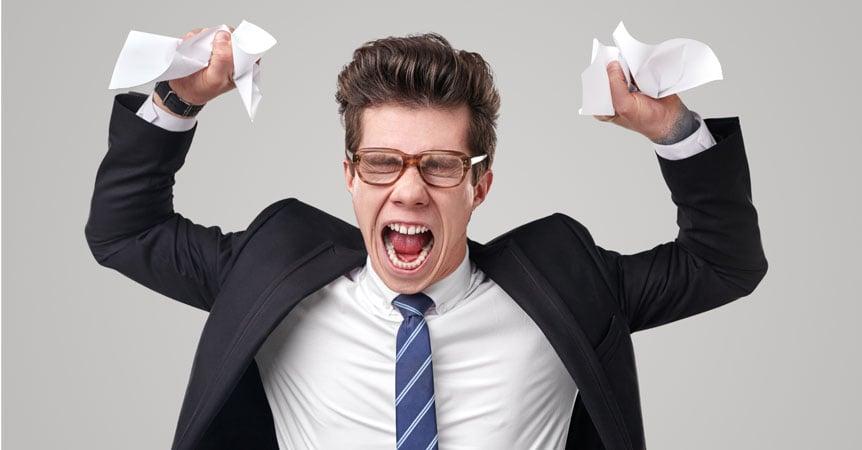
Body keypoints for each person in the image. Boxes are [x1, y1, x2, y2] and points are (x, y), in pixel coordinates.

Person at [85, 27, 767, 450]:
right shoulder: (270, 270)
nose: (408, 191)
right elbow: (126, 230)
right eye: (382, 162)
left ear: (480, 185)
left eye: (440, 165)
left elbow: (722, 262)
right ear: (349, 176)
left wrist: (673, 132)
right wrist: (178, 102)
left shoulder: (567, 286)